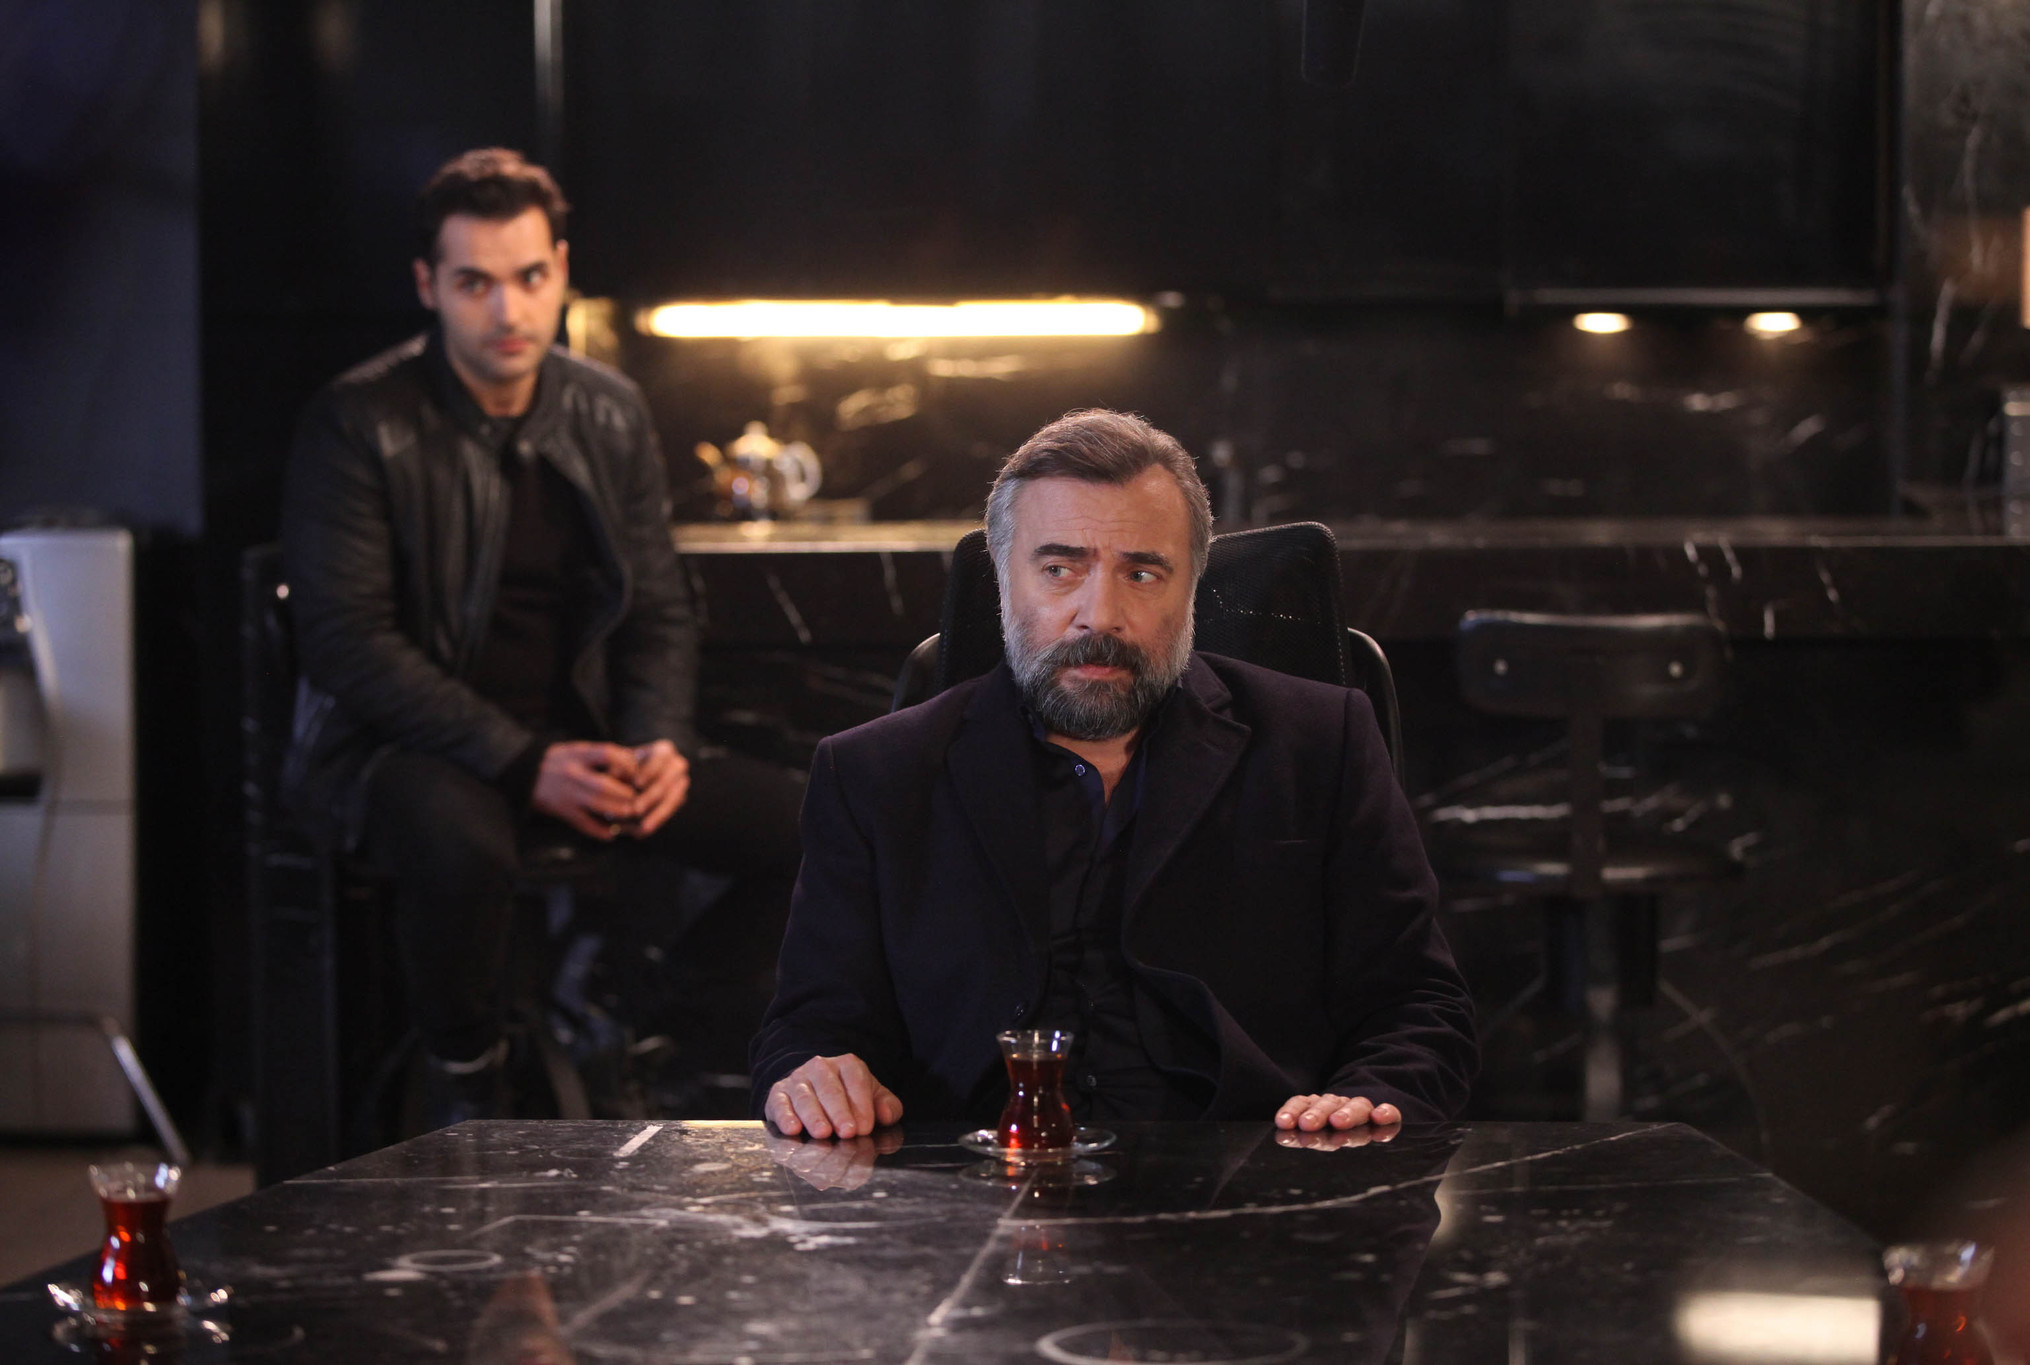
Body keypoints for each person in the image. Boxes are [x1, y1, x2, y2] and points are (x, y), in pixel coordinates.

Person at [750, 409, 1476, 1139]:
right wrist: (813, 1076)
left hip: (1251, 1171)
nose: (1099, 615)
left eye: (1142, 572)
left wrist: (1368, 1098)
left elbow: (1417, 1006)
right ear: (1002, 580)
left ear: (1191, 585)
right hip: (968, 1178)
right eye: (1059, 570)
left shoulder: (1321, 741)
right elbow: (812, 1027)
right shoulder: (874, 771)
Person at [280, 148, 801, 1125]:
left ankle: (646, 1022)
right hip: (409, 752)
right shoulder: (357, 422)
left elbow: (657, 606)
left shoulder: (608, 409)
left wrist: (658, 740)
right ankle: (469, 1078)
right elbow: (347, 643)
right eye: (473, 283)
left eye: (528, 277)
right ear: (428, 285)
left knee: (820, 828)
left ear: (560, 269)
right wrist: (525, 762)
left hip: (586, 745)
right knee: (463, 847)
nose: (507, 311)